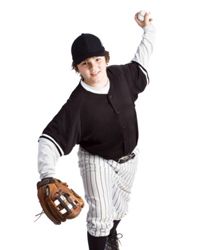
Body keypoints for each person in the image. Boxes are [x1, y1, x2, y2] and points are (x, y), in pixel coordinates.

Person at [37, 11, 155, 250]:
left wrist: (148, 30)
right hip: (96, 159)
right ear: (77, 68)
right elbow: (49, 139)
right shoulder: (77, 104)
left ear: (106, 58)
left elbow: (142, 59)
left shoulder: (122, 75)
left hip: (129, 158)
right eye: (85, 63)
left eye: (98, 59)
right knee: (101, 216)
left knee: (119, 209)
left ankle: (110, 239)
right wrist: (46, 176)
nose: (93, 67)